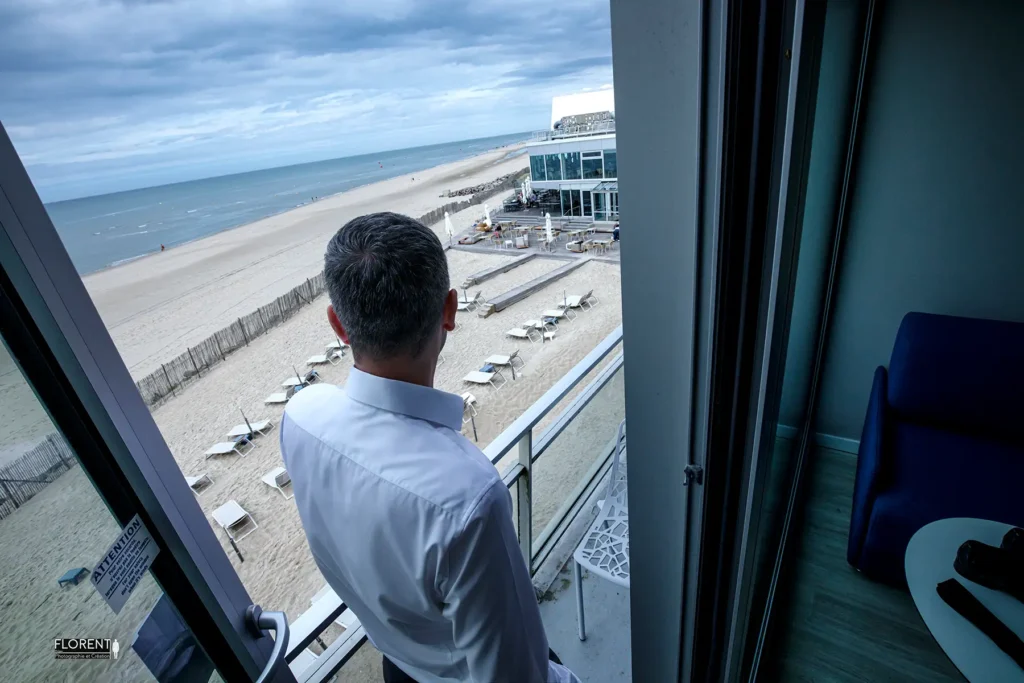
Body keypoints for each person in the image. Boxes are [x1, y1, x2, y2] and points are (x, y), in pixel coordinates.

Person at [281, 213, 579, 683]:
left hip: (396, 663)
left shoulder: (301, 416)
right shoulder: (468, 497)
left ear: (338, 325)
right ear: (449, 311)